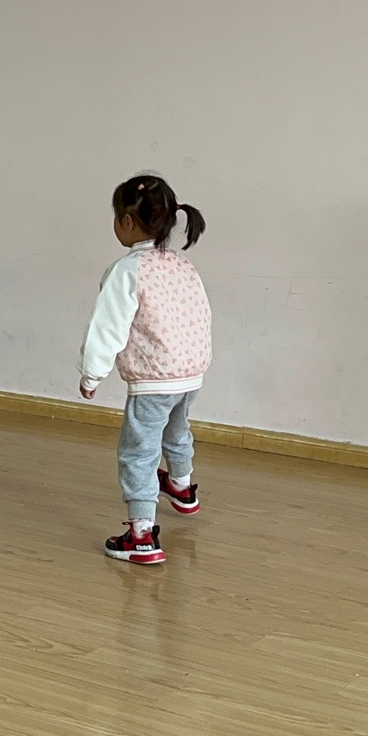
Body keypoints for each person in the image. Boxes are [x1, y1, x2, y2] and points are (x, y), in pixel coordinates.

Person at [78, 174, 212, 565]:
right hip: (190, 372)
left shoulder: (127, 270)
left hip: (154, 379)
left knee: (138, 451)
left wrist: (92, 373)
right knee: (177, 428)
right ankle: (182, 487)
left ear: (126, 221)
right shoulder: (182, 264)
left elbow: (107, 328)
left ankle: (141, 536)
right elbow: (202, 314)